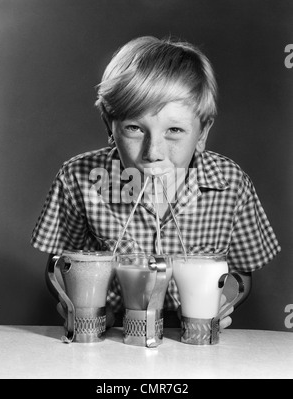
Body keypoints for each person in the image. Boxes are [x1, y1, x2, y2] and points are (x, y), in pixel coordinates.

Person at [31, 35, 281, 330]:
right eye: (135, 128)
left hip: (190, 331)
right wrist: (83, 308)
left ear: (202, 134)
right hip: (114, 330)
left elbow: (240, 273)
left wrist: (219, 305)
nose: (153, 153)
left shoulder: (231, 184)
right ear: (109, 126)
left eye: (174, 130)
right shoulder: (78, 178)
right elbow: (63, 266)